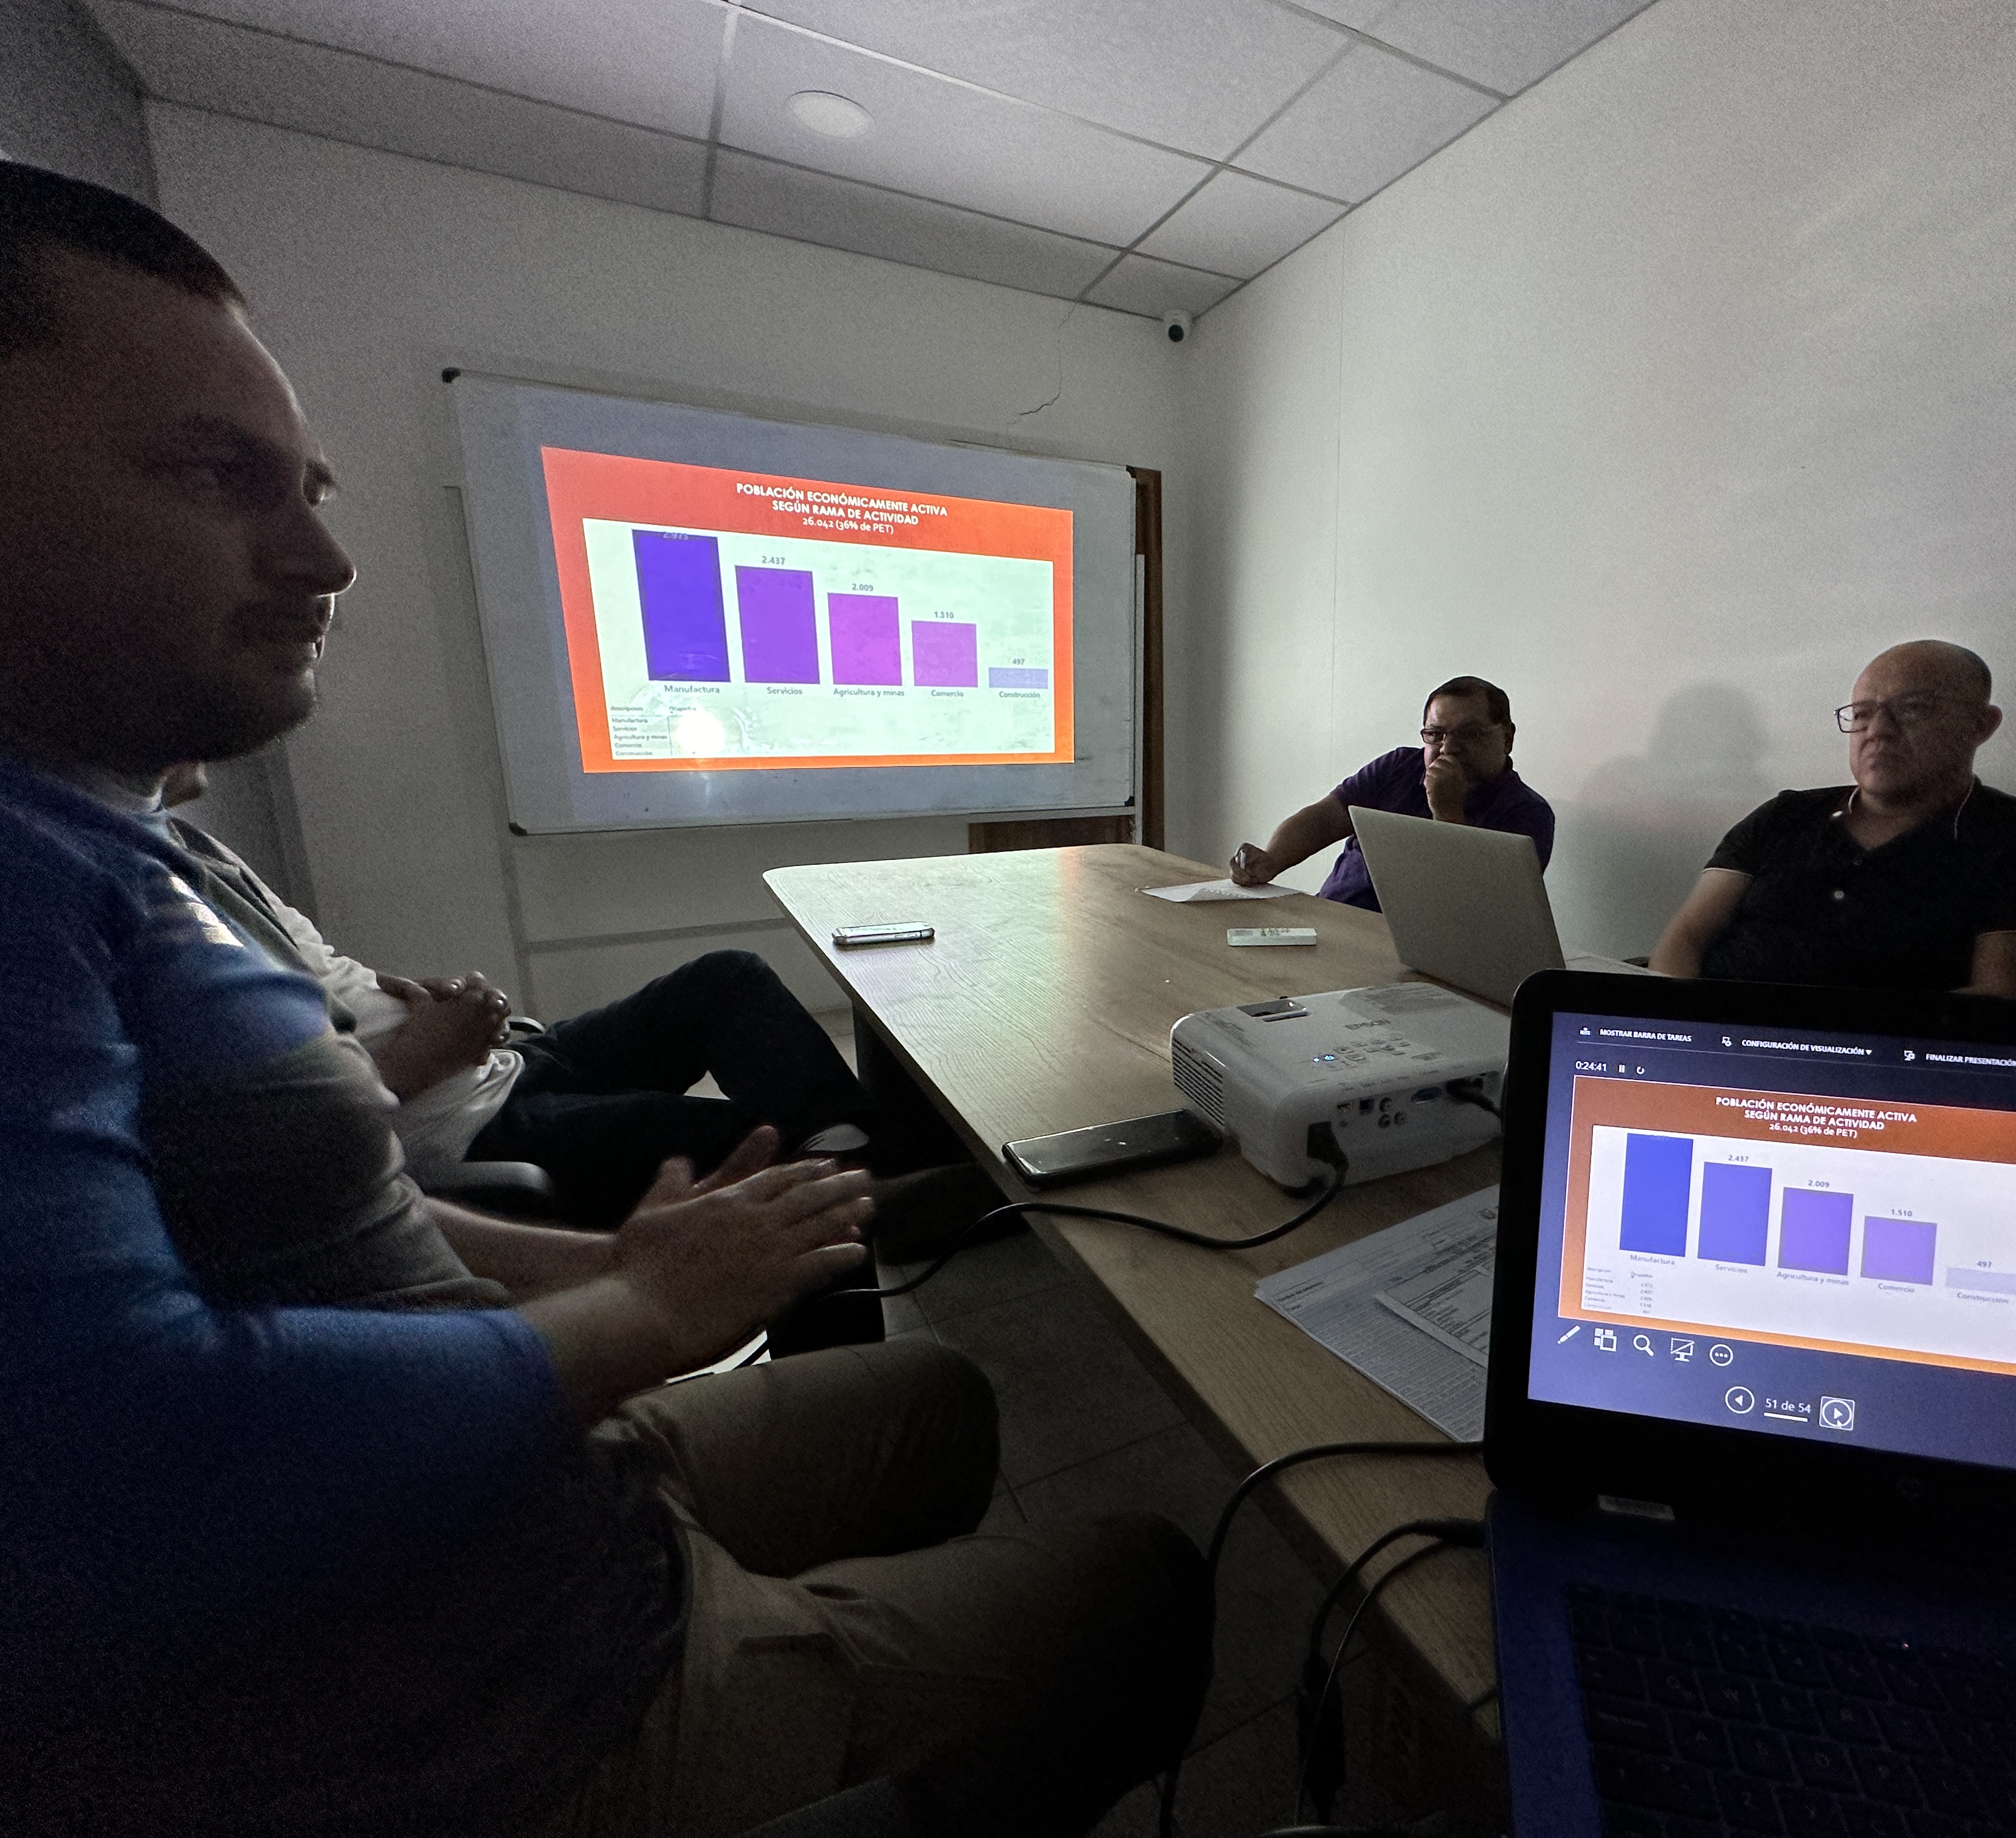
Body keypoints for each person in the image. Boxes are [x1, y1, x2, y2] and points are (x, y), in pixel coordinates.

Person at [0, 161, 1206, 1838]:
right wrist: (644, 1314)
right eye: (216, 476)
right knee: (1144, 1582)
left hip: (538, 1504)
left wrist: (615, 1273)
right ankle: (804, 1647)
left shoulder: (113, 847)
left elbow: (319, 1216)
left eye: (312, 487)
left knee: (942, 1397)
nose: (326, 558)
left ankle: (860, 1241)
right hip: (506, 1698)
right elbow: (130, 1466)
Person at [158, 764, 939, 1231]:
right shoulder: (140, 907)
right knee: (753, 1148)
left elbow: (324, 989)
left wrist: (423, 1004)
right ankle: (857, 1245)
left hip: (499, 1062)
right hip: (464, 1129)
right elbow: (245, 1157)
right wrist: (416, 1058)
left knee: (728, 978)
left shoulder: (186, 845)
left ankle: (863, 1164)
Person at [1649, 641, 2016, 998]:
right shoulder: (1786, 815)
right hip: (1720, 1046)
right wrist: (1679, 1033)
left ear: (1980, 724)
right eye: (1862, 714)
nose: (1878, 730)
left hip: (1886, 1065)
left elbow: (2011, 997)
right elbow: (1685, 938)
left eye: (1912, 708)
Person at [1228, 674, 1555, 910]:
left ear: (1507, 738)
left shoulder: (1527, 813)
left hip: (1419, 956)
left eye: (1470, 734)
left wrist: (1447, 812)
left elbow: (1479, 912)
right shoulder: (1398, 766)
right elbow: (1325, 819)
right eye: (1435, 734)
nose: (1448, 749)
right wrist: (1272, 860)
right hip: (1334, 920)